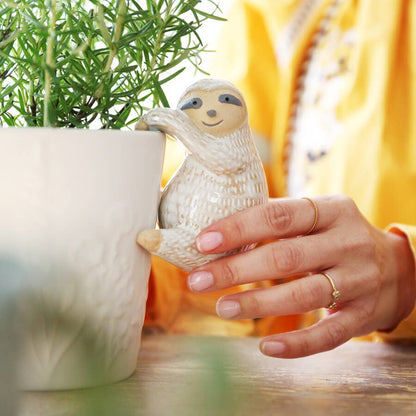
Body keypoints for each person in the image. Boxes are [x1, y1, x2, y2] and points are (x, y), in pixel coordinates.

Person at [143, 0, 416, 358]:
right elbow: (222, 225)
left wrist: (405, 270)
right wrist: (134, 271)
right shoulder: (264, 10)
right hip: (303, 383)